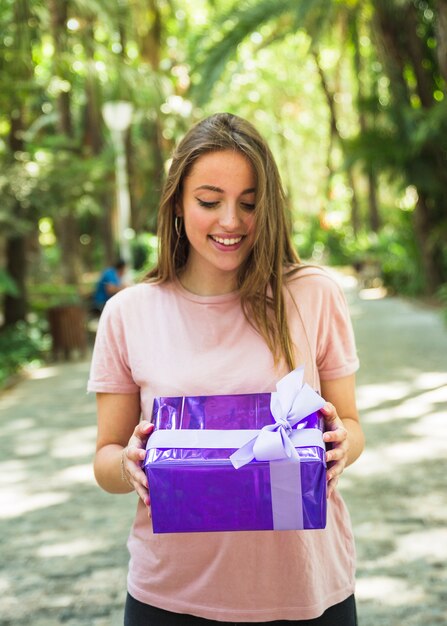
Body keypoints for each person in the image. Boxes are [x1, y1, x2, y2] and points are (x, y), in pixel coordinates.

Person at [88, 112, 365, 626]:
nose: (231, 222)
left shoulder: (313, 294)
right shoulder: (129, 313)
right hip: (171, 598)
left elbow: (349, 424)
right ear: (177, 202)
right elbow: (106, 459)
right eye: (209, 201)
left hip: (306, 592)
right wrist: (127, 464)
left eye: (250, 204)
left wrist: (344, 443)